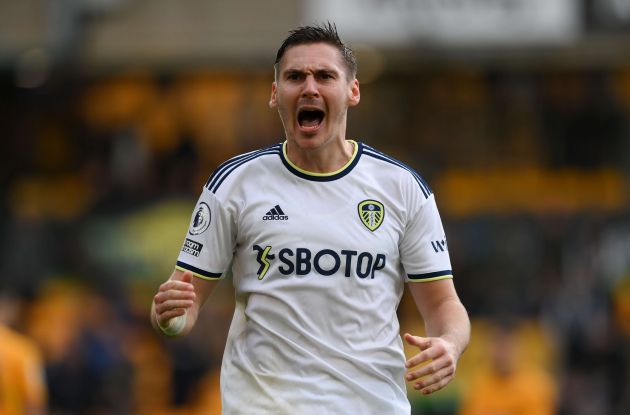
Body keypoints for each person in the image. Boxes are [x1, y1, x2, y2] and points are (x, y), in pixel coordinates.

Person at [151, 22, 470, 414]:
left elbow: (444, 306)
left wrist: (450, 345)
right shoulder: (234, 184)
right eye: (295, 76)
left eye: (324, 76)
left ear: (352, 91)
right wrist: (170, 318)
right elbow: (183, 302)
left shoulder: (402, 189)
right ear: (275, 94)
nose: (309, 88)